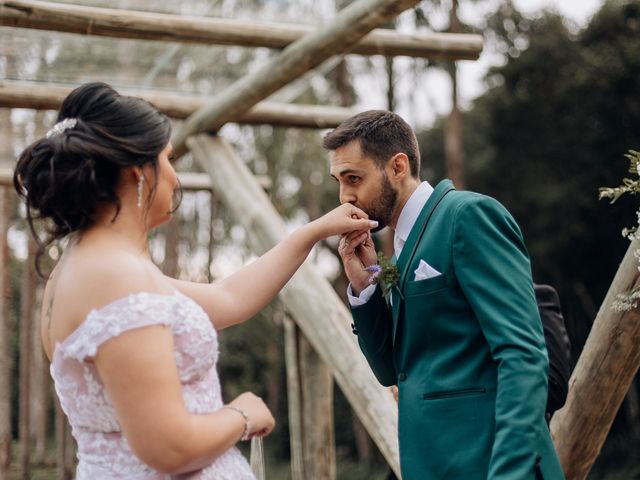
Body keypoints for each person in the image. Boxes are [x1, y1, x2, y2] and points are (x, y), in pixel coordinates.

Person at [13, 82, 377, 479]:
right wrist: (241, 414)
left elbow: (230, 297)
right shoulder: (116, 276)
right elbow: (169, 447)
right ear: (139, 174)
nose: (174, 175)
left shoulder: (93, 267)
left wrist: (312, 231)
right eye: (168, 159)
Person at [325, 110, 565, 479]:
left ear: (398, 167)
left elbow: (523, 355)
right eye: (338, 182)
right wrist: (365, 287)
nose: (345, 197)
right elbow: (392, 370)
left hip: (489, 466)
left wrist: (509, 473)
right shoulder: (399, 246)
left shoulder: (467, 216)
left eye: (354, 178)